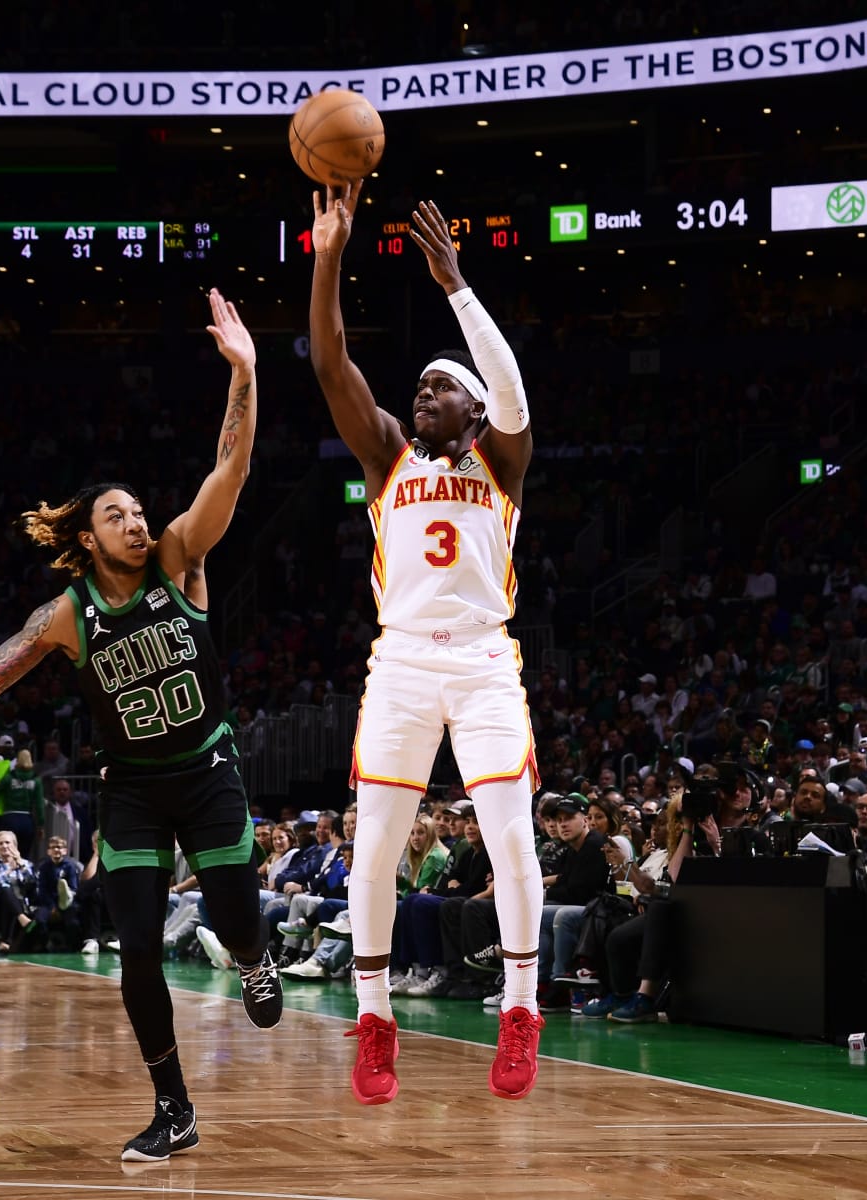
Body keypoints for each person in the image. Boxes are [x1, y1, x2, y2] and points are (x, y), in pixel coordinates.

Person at [0, 289, 281, 1162]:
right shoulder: (65, 616)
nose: (139, 521)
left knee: (234, 915)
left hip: (209, 769)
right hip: (135, 791)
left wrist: (245, 375)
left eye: (141, 510)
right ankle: (174, 1108)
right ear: (87, 537)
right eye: (119, 515)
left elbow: (232, 470)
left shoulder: (182, 559)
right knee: (139, 951)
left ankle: (256, 955)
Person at [310, 180, 542, 1105]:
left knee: (512, 841)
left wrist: (456, 286)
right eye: (420, 386)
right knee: (374, 850)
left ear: (472, 412)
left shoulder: (503, 461)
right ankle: (374, 1020)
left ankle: (519, 1009)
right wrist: (330, 255)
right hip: (402, 660)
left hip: (485, 662)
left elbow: (517, 394)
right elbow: (331, 366)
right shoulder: (387, 459)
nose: (421, 393)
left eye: (438, 388)